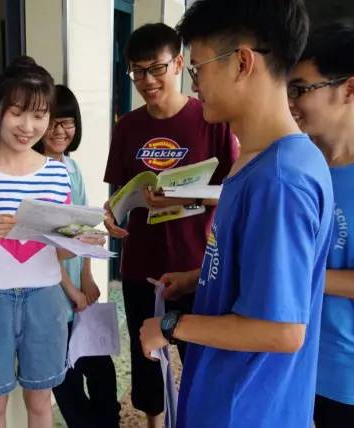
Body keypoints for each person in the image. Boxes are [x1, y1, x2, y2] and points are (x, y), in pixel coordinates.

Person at [139, 1, 334, 427]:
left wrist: (170, 326)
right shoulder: (262, 160)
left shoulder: (279, 180)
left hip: (246, 409)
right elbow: (260, 273)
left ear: (242, 63)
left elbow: (281, 330)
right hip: (233, 397)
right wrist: (198, 278)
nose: (195, 87)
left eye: (198, 69)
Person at [0, 56, 103, 428]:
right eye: (17, 113)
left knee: (41, 402)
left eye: (39, 116)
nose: (28, 127)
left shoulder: (57, 174)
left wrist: (82, 240)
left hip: (45, 297)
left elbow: (60, 252)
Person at [102, 22, 237, 427]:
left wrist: (187, 197)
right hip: (141, 265)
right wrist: (111, 214)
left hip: (196, 265)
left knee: (200, 359)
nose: (147, 80)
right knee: (146, 360)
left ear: (178, 64)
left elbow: (233, 192)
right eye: (137, 71)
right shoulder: (128, 127)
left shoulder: (211, 119)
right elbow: (118, 193)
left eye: (156, 68)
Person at [34, 84, 121, 428]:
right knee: (67, 380)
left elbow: (83, 225)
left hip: (78, 292)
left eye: (67, 122)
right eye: (52, 122)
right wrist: (70, 289)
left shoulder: (71, 168)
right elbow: (41, 243)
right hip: (52, 295)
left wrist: (87, 276)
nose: (60, 130)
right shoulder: (34, 173)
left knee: (101, 370)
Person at [288, 21, 354, 427]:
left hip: (343, 376)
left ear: (348, 88)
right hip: (291, 359)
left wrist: (298, 274)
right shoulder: (299, 163)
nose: (291, 103)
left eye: (301, 89)